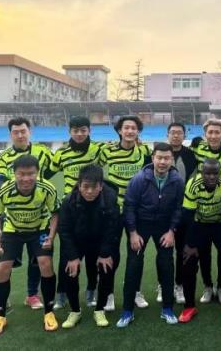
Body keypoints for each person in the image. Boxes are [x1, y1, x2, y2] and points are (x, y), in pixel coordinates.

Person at [0, 155, 60, 336]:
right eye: (21, 174)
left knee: (45, 263)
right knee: (2, 267)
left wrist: (51, 236)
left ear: (38, 173)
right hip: (13, 230)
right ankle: (0, 316)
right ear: (14, 173)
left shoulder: (47, 188)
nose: (26, 178)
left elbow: (55, 214)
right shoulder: (4, 190)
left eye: (31, 173)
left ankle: (49, 312)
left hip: (39, 229)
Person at [116, 143, 184, 328]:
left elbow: (178, 209)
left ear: (171, 160)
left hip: (164, 226)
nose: (162, 162)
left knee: (166, 264)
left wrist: (171, 231)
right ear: (153, 158)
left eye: (166, 158)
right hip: (141, 225)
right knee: (133, 265)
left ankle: (167, 309)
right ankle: (127, 311)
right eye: (159, 158)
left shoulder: (177, 181)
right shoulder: (139, 179)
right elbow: (129, 207)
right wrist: (132, 233)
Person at [0, 117, 53, 314]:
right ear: (10, 135)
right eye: (15, 132)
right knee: (6, 260)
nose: (20, 135)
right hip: (12, 215)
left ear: (29, 132)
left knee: (38, 259)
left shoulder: (42, 151)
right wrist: (17, 194)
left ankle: (32, 294)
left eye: (23, 131)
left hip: (39, 215)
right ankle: (3, 299)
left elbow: (54, 169)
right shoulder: (4, 157)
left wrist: (38, 190)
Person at [97, 115, 152, 311]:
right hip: (113, 210)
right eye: (126, 128)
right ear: (119, 131)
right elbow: (95, 171)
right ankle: (108, 294)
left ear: (138, 131)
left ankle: (135, 291)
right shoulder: (108, 150)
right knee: (110, 253)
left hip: (136, 210)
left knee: (136, 253)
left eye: (133, 128)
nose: (130, 131)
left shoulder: (144, 150)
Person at [47, 116, 102, 310]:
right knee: (67, 254)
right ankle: (61, 293)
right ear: (69, 131)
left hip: (94, 206)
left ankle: (91, 291)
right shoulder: (61, 153)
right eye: (75, 130)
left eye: (83, 130)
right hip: (70, 208)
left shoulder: (98, 150)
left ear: (89, 131)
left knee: (93, 254)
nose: (79, 134)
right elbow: (45, 174)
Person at [57, 164, 119, 329]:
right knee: (69, 270)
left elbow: (112, 227)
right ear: (79, 185)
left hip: (100, 240)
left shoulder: (110, 198)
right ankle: (75, 311)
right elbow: (64, 230)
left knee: (106, 268)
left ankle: (99, 309)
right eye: (85, 187)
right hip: (77, 240)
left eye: (94, 187)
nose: (90, 191)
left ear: (101, 186)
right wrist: (72, 257)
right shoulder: (68, 201)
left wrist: (104, 254)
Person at [177, 159, 221, 324]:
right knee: (188, 260)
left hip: (220, 224)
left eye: (215, 173)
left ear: (220, 173)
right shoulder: (193, 184)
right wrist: (190, 244)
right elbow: (188, 215)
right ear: (201, 173)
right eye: (207, 173)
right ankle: (189, 306)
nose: (211, 177)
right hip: (199, 224)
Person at [189, 118, 221, 304]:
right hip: (201, 213)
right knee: (204, 254)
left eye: (217, 132)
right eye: (210, 132)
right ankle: (208, 287)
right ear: (205, 134)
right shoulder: (198, 148)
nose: (213, 135)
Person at [162, 121, 198, 305]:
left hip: (185, 210)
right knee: (164, 251)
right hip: (163, 210)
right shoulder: (159, 153)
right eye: (173, 132)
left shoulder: (191, 155)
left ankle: (179, 285)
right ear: (167, 134)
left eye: (179, 133)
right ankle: (163, 285)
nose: (176, 135)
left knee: (182, 250)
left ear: (184, 135)